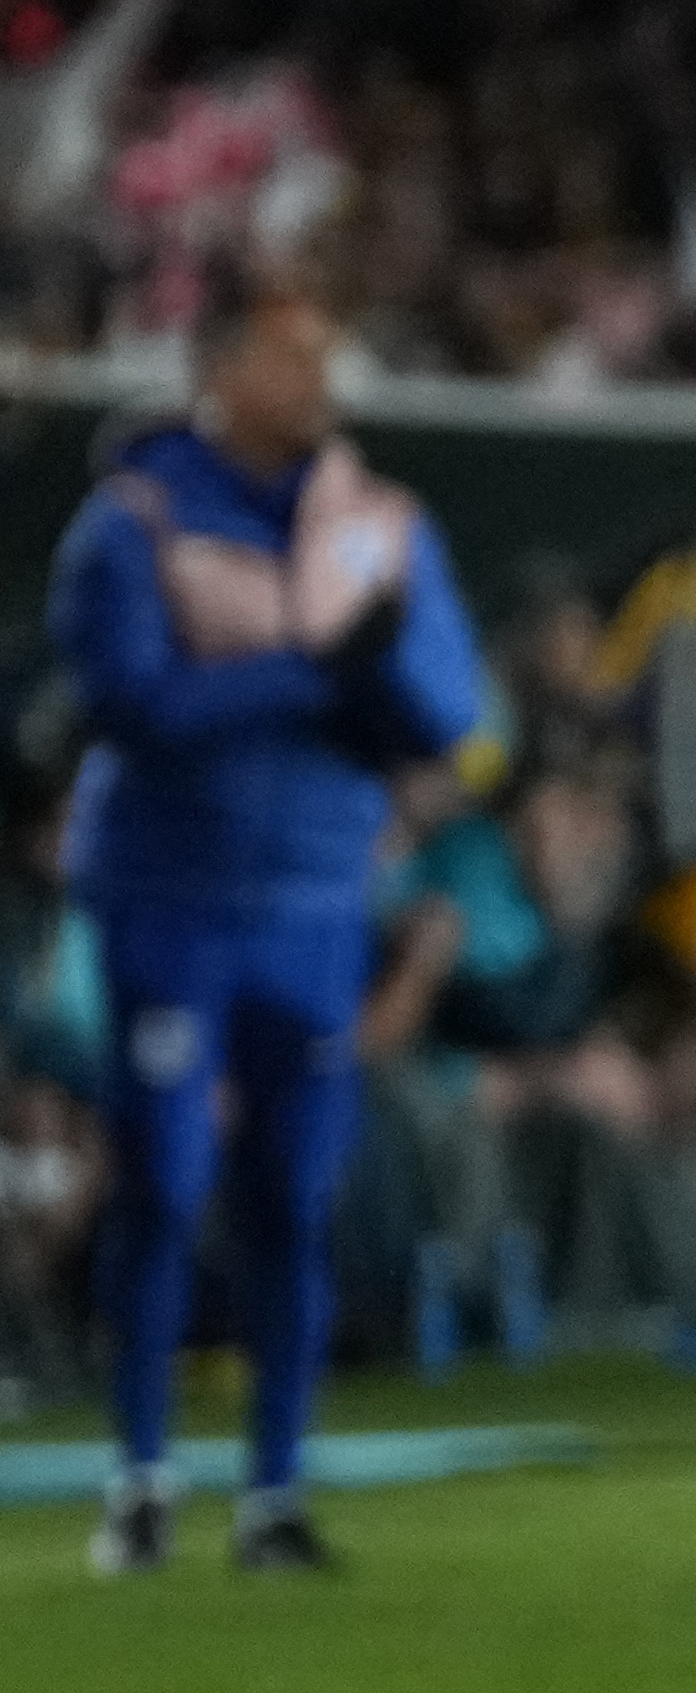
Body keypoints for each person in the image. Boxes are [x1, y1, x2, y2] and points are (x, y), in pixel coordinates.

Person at [46, 257, 482, 1575]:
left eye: (325, 355)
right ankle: (140, 1478)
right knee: (166, 1181)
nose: (318, 382)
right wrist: (313, 672)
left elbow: (444, 710)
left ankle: (275, 1493)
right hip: (171, 895)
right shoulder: (132, 518)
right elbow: (135, 706)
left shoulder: (381, 520)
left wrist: (370, 683)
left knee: (295, 1196)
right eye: (290, 356)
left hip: (313, 897)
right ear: (218, 374)